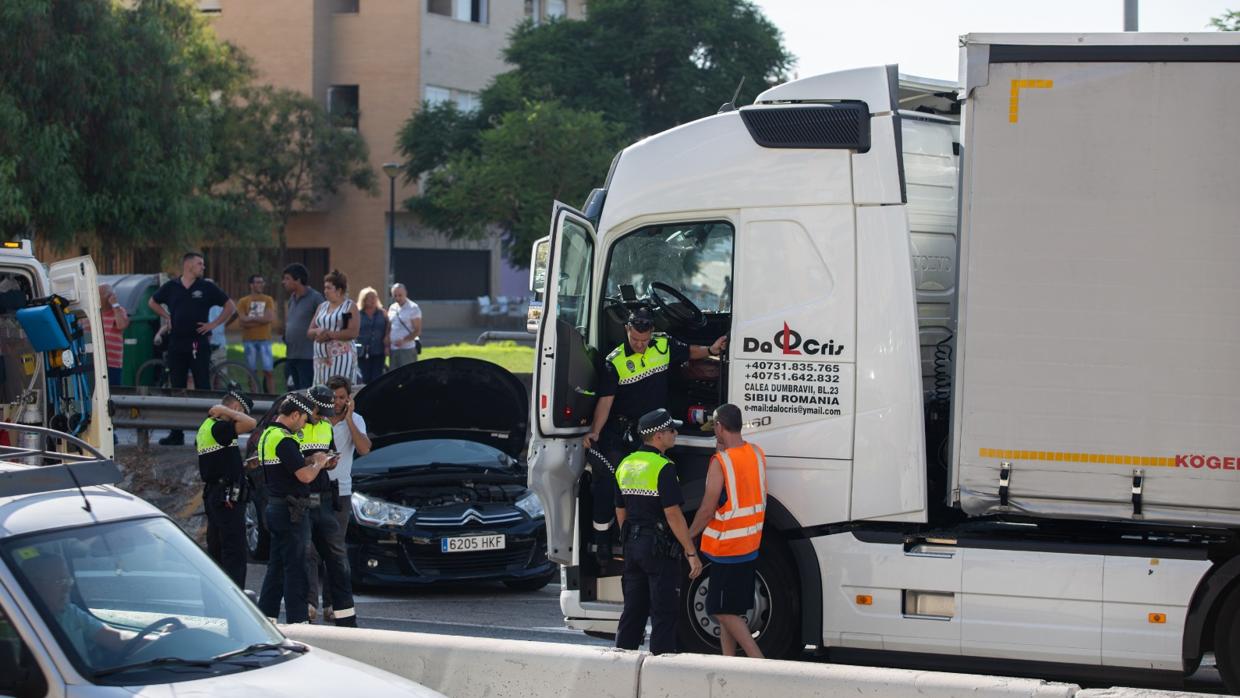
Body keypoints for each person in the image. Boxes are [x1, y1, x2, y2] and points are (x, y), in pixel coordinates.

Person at [583, 307, 727, 562]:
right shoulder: (614, 361)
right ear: (627, 329)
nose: (640, 345)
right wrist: (595, 431)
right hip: (622, 430)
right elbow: (605, 402)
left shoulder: (662, 345)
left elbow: (689, 351)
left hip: (652, 432)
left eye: (644, 340)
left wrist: (711, 350)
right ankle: (603, 542)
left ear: (651, 333)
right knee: (608, 481)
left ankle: (648, 537)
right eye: (635, 340)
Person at [613, 408, 702, 655]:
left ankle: (621, 662)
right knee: (664, 611)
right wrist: (690, 551)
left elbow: (620, 510)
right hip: (659, 549)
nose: (675, 433)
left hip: (632, 544)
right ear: (658, 436)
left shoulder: (625, 464)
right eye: (672, 430)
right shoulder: (664, 467)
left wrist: (631, 537)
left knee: (633, 609)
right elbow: (673, 514)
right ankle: (661, 668)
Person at [688, 403, 767, 658]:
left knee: (720, 610)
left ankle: (759, 662)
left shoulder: (720, 463)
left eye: (716, 428)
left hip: (727, 549)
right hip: (749, 545)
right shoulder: (755, 453)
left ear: (720, 426)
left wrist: (687, 536)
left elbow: (707, 509)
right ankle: (728, 665)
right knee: (730, 611)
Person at [256, 392, 332, 623]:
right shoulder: (286, 440)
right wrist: (318, 463)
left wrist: (307, 460)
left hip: (276, 507)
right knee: (296, 569)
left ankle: (266, 617)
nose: (304, 424)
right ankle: (298, 622)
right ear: (295, 414)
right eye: (303, 419)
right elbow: (305, 477)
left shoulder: (268, 434)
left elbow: (284, 466)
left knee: (277, 567)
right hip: (292, 511)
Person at [149, 252, 236, 445]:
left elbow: (230, 306)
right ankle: (176, 433)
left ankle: (206, 434)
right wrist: (167, 316)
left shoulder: (206, 287)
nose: (203, 267)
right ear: (188, 265)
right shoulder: (172, 286)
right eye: (200, 264)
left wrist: (213, 324)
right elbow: (152, 302)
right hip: (176, 343)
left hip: (198, 343)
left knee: (202, 387)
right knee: (177, 387)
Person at [308, 375, 370, 623]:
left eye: (343, 398)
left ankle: (332, 604)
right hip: (315, 488)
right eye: (334, 398)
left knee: (335, 550)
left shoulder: (355, 420)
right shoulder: (316, 420)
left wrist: (349, 421)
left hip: (341, 492)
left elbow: (365, 448)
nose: (337, 402)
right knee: (311, 550)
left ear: (349, 399)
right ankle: (310, 602)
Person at [300, 384, 356, 626]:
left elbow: (331, 453)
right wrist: (312, 460)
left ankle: (342, 613)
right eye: (318, 411)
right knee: (306, 553)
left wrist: (329, 462)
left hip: (325, 495)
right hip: (300, 496)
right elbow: (289, 462)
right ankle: (307, 606)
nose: (322, 415)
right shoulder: (295, 425)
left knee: (336, 554)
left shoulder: (324, 425)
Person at [22, 554, 139, 660]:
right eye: (60, 581)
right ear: (35, 585)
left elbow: (116, 638)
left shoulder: (70, 612)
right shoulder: (18, 620)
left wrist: (155, 642)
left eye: (68, 580)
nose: (67, 588)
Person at [197, 389, 257, 588]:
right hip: (226, 499)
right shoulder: (219, 427)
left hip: (217, 495)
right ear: (235, 408)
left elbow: (219, 462)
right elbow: (251, 423)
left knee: (217, 550)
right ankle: (235, 600)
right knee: (234, 553)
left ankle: (217, 598)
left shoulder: (209, 427)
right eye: (240, 412)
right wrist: (228, 412)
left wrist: (243, 467)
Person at [309, 270, 359, 387]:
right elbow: (310, 331)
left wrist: (329, 334)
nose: (325, 291)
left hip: (340, 358)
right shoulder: (322, 306)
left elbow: (353, 332)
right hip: (320, 359)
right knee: (319, 392)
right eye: (325, 288)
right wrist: (317, 331)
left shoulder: (349, 307)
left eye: (328, 288)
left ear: (339, 290)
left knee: (337, 390)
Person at [282, 263, 324, 391]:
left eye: (287, 278)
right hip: (291, 354)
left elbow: (325, 320)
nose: (284, 282)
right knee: (293, 392)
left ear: (298, 280)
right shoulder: (292, 298)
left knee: (306, 392)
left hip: (307, 356)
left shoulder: (315, 298)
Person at [237, 274, 276, 393]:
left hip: (265, 339)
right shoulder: (243, 301)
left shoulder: (268, 299)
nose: (260, 285)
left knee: (268, 371)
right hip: (249, 340)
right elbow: (242, 321)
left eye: (262, 282)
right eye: (258, 282)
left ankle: (273, 397)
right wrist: (261, 321)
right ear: (251, 285)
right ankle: (254, 396)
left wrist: (251, 320)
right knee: (251, 372)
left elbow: (269, 318)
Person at [97, 283, 129, 387]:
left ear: (110, 297)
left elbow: (122, 325)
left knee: (113, 392)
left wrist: (115, 305)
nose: (96, 298)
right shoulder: (94, 313)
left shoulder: (119, 311)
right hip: (96, 362)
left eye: (99, 295)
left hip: (112, 364)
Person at [356, 286, 388, 384]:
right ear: (364, 300)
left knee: (377, 378)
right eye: (369, 298)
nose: (372, 300)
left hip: (379, 350)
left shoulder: (382, 313)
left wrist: (387, 343)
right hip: (362, 351)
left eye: (374, 297)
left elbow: (388, 327)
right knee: (364, 377)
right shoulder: (358, 314)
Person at [386, 283, 421, 369]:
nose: (397, 298)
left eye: (400, 295)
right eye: (395, 296)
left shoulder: (413, 308)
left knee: (407, 377)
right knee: (394, 376)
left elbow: (417, 331)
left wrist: (404, 340)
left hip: (407, 349)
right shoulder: (392, 307)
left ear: (405, 293)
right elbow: (389, 326)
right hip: (393, 349)